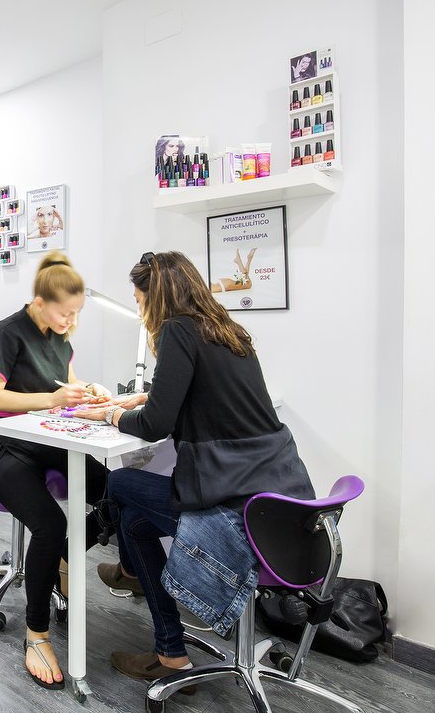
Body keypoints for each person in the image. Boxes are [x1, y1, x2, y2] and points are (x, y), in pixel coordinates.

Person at [73, 251, 314, 691]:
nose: (140, 311)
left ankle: (130, 587)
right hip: (282, 500)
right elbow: (207, 390)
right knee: (134, 522)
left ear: (157, 297)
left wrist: (109, 414)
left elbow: (155, 427)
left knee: (119, 482)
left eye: (139, 301)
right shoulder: (226, 329)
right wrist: (145, 396)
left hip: (238, 507)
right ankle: (155, 622)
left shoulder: (176, 330)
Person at [0, 251, 112, 690]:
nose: (70, 321)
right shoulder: (6, 333)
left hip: (53, 443)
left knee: (118, 492)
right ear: (40, 302)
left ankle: (63, 559)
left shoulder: (61, 338)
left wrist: (88, 391)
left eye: (76, 313)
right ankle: (36, 635)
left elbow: (67, 385)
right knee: (50, 524)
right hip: (7, 450)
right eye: (65, 312)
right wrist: (53, 400)